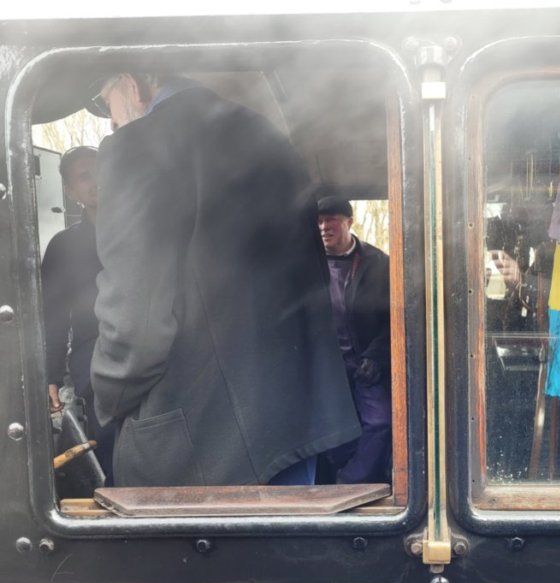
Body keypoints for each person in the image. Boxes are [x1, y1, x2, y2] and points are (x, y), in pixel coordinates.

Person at [88, 72, 360, 486]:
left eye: (105, 100)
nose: (110, 120)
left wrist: (106, 398)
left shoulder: (137, 146)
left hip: (203, 443)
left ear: (131, 83)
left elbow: (134, 328)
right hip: (294, 426)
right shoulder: (272, 141)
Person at [41, 145, 117, 482]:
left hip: (153, 348)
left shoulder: (144, 228)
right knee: (108, 444)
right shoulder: (63, 246)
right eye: (83, 177)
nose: (95, 181)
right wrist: (51, 374)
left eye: (99, 170)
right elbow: (54, 315)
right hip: (94, 356)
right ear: (70, 192)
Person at [315, 196, 392, 484]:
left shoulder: (378, 264)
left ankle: (350, 484)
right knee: (326, 431)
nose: (324, 227)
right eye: (319, 221)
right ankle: (323, 485)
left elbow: (393, 321)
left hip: (363, 363)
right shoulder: (307, 264)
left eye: (331, 219)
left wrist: (376, 356)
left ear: (350, 221)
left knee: (381, 421)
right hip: (324, 368)